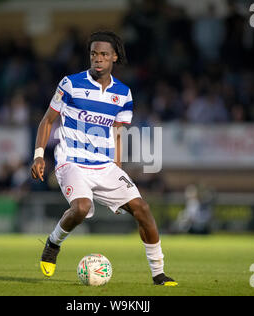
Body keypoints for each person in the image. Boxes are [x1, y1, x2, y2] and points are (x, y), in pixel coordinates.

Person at [30, 31, 177, 286]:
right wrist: (39, 155)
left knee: (142, 209)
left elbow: (118, 134)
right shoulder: (70, 83)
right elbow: (47, 120)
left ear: (114, 57)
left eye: (104, 54)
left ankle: (159, 274)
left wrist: (118, 172)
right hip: (72, 161)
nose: (98, 59)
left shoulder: (123, 94)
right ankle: (53, 243)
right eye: (94, 54)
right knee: (82, 207)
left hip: (105, 165)